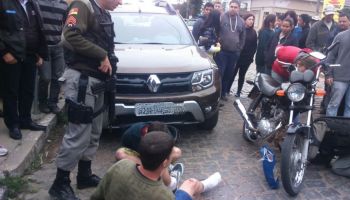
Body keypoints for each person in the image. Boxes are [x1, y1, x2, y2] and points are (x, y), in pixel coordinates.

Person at [48, 0, 122, 199]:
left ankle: (84, 174)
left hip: (97, 82)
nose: (121, 2)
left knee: (94, 131)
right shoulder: (82, 6)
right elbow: (69, 36)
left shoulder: (104, 14)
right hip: (82, 80)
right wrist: (102, 55)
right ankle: (60, 183)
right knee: (78, 133)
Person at [91, 131, 222, 200]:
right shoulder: (163, 196)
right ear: (165, 162)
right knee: (190, 184)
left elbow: (96, 197)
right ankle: (199, 185)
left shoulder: (120, 166)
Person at [0, 0, 48, 140]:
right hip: (11, 55)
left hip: (30, 55)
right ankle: (13, 124)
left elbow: (37, 29)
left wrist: (39, 53)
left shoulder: (33, 4)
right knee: (11, 91)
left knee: (27, 90)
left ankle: (25, 120)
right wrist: (3, 53)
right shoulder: (4, 3)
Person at [115, 121, 183, 190]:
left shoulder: (167, 134)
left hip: (157, 157)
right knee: (120, 153)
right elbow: (125, 148)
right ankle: (165, 176)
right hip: (139, 156)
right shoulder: (132, 133)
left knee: (177, 152)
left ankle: (161, 171)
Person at [37, 0, 68, 114]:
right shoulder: (38, 3)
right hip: (43, 46)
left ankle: (53, 103)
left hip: (58, 46)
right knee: (45, 77)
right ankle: (42, 102)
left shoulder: (64, 5)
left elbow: (66, 24)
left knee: (58, 77)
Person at [214, 0, 245, 100]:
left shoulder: (241, 21)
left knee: (228, 74)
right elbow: (216, 31)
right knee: (220, 74)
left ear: (238, 8)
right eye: (231, 6)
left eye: (235, 7)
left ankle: (223, 93)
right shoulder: (222, 17)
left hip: (234, 53)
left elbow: (243, 36)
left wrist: (239, 48)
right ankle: (217, 94)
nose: (233, 8)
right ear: (228, 6)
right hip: (222, 52)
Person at [228, 13, 257, 97]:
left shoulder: (253, 32)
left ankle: (238, 92)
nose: (251, 21)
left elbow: (254, 46)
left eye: (252, 19)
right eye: (249, 19)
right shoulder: (240, 29)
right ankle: (227, 89)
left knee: (242, 75)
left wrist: (251, 57)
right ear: (245, 20)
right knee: (232, 74)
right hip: (237, 57)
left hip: (246, 59)